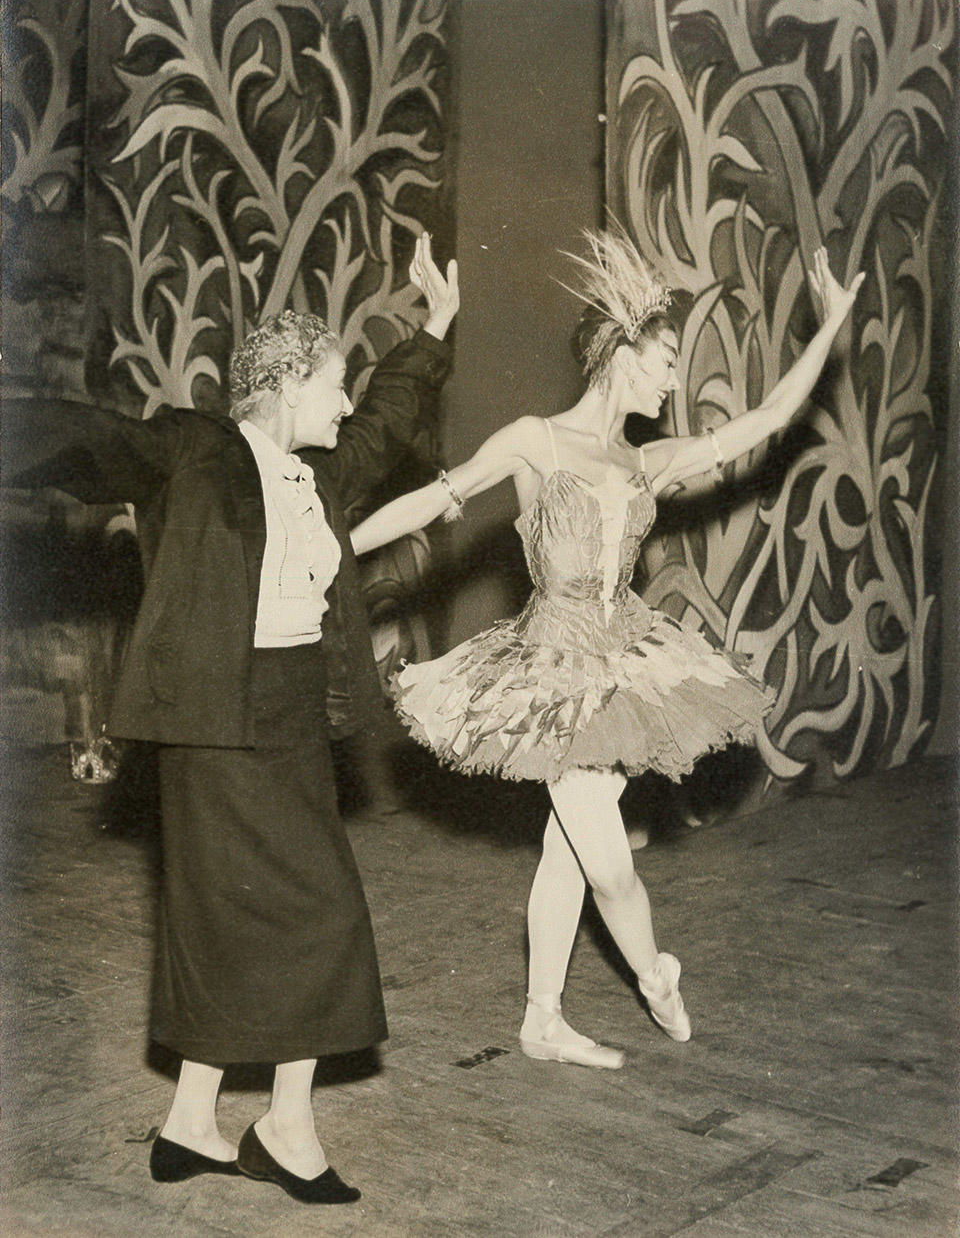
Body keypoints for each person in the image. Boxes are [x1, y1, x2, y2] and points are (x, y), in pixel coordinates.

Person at [2, 233, 459, 1202]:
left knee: (225, 919)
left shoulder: (320, 473)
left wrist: (436, 331)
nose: (343, 402)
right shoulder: (195, 450)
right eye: (331, 384)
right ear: (287, 380)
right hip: (215, 721)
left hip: (294, 717)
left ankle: (189, 1121)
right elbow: (80, 432)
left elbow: (382, 416)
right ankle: (287, 1128)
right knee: (321, 912)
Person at [350, 229, 863, 1069]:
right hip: (549, 668)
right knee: (611, 868)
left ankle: (542, 1018)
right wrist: (339, 548)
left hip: (622, 665)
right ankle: (655, 973)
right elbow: (434, 499)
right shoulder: (535, 442)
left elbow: (769, 422)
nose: (672, 378)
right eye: (664, 359)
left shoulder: (645, 461)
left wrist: (831, 324)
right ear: (622, 355)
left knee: (567, 849)